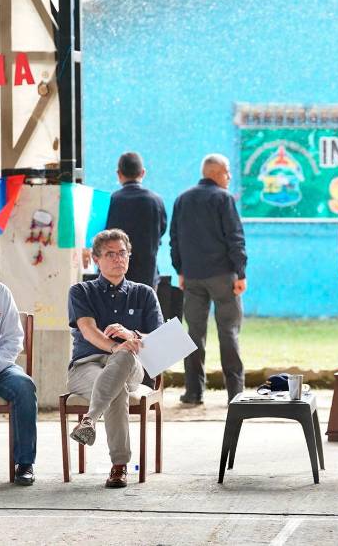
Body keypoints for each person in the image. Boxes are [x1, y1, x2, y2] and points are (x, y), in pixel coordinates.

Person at [67, 229, 164, 488]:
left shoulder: (144, 293)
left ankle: (89, 420)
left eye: (123, 253)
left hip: (131, 366)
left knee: (125, 359)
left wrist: (130, 334)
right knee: (116, 388)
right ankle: (119, 466)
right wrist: (115, 346)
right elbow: (88, 330)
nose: (118, 259)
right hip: (85, 367)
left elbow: (160, 339)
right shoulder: (81, 291)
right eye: (110, 254)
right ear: (96, 259)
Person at [170, 153, 247, 405]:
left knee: (193, 334)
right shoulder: (223, 199)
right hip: (224, 276)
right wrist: (241, 272)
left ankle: (193, 392)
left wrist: (180, 270)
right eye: (227, 173)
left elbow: (175, 239)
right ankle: (235, 393)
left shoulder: (182, 199)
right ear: (217, 173)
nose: (229, 178)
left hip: (192, 277)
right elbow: (235, 237)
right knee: (229, 331)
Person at [104, 152, 168, 288]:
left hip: (115, 274)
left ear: (119, 173)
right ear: (143, 173)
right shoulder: (156, 201)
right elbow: (162, 230)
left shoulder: (110, 201)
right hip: (147, 274)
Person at [0, 283, 36, 486]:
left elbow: (13, 339)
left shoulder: (1, 292)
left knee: (24, 386)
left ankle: (24, 463)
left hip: (0, 367)